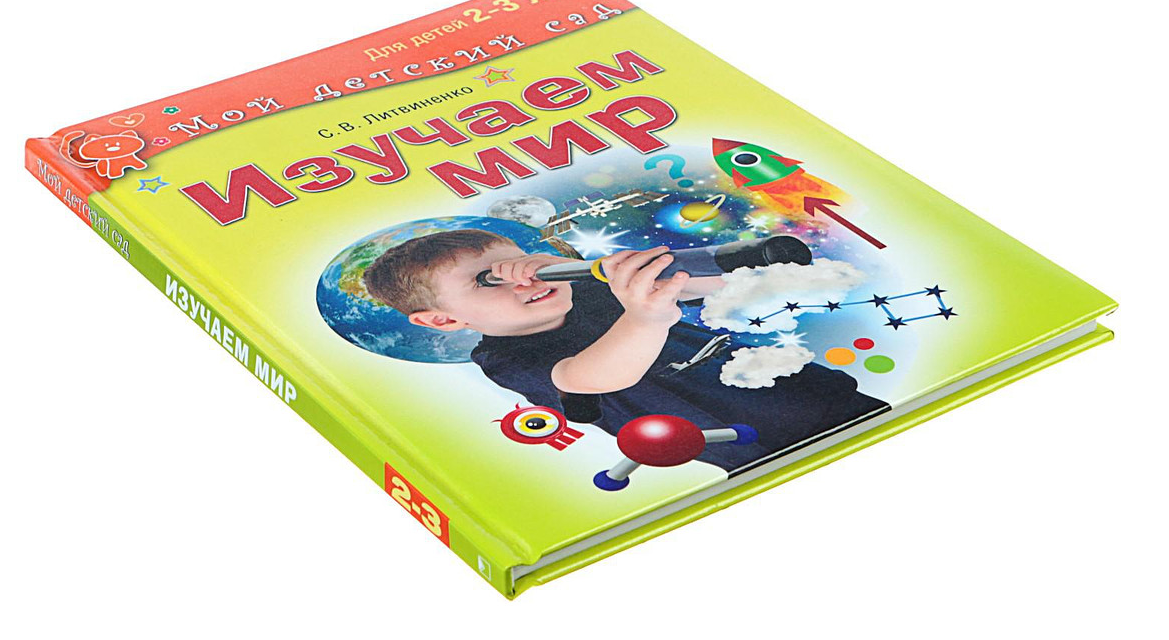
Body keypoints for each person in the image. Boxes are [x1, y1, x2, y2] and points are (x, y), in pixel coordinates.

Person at [362, 228, 888, 473]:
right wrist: (644, 317)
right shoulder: (503, 358)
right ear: (443, 319)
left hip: (825, 398)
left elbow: (708, 283)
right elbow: (591, 377)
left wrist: (645, 271)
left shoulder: (591, 288)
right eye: (487, 281)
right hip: (756, 443)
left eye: (521, 264)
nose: (525, 281)